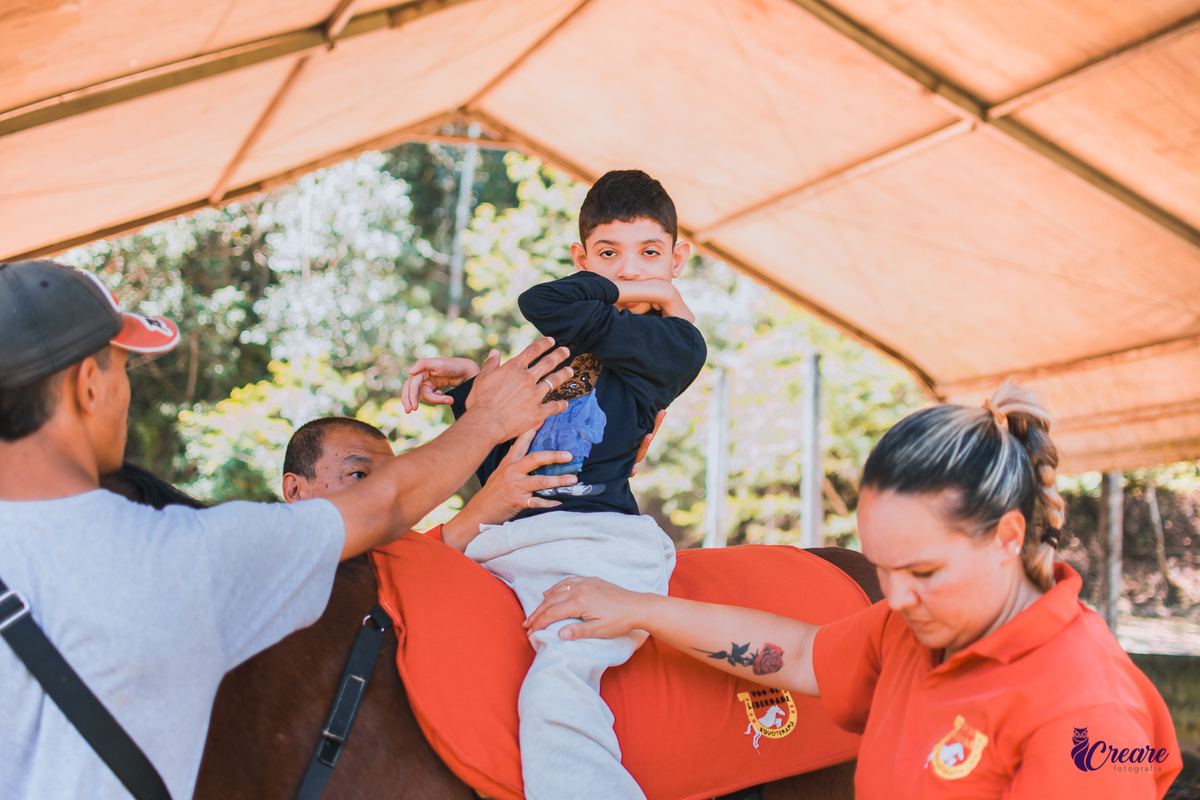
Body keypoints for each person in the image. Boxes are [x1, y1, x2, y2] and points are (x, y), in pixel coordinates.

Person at [0, 259, 573, 800]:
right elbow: (383, 507)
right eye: (123, 371)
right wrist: (490, 418)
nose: (126, 397)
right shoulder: (182, 558)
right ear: (88, 387)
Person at [526, 384, 1183, 799]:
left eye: (923, 573)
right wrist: (641, 609)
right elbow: (799, 653)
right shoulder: (915, 630)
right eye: (883, 568)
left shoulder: (1082, 713)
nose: (894, 599)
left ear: (1007, 537)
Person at [402, 170, 707, 800]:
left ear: (678, 258)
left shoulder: (673, 342)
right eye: (608, 253)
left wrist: (616, 288)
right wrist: (469, 395)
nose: (629, 269)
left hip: (594, 543)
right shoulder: (574, 343)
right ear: (581, 255)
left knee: (555, 682)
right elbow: (526, 438)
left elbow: (544, 302)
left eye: (650, 253)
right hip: (516, 539)